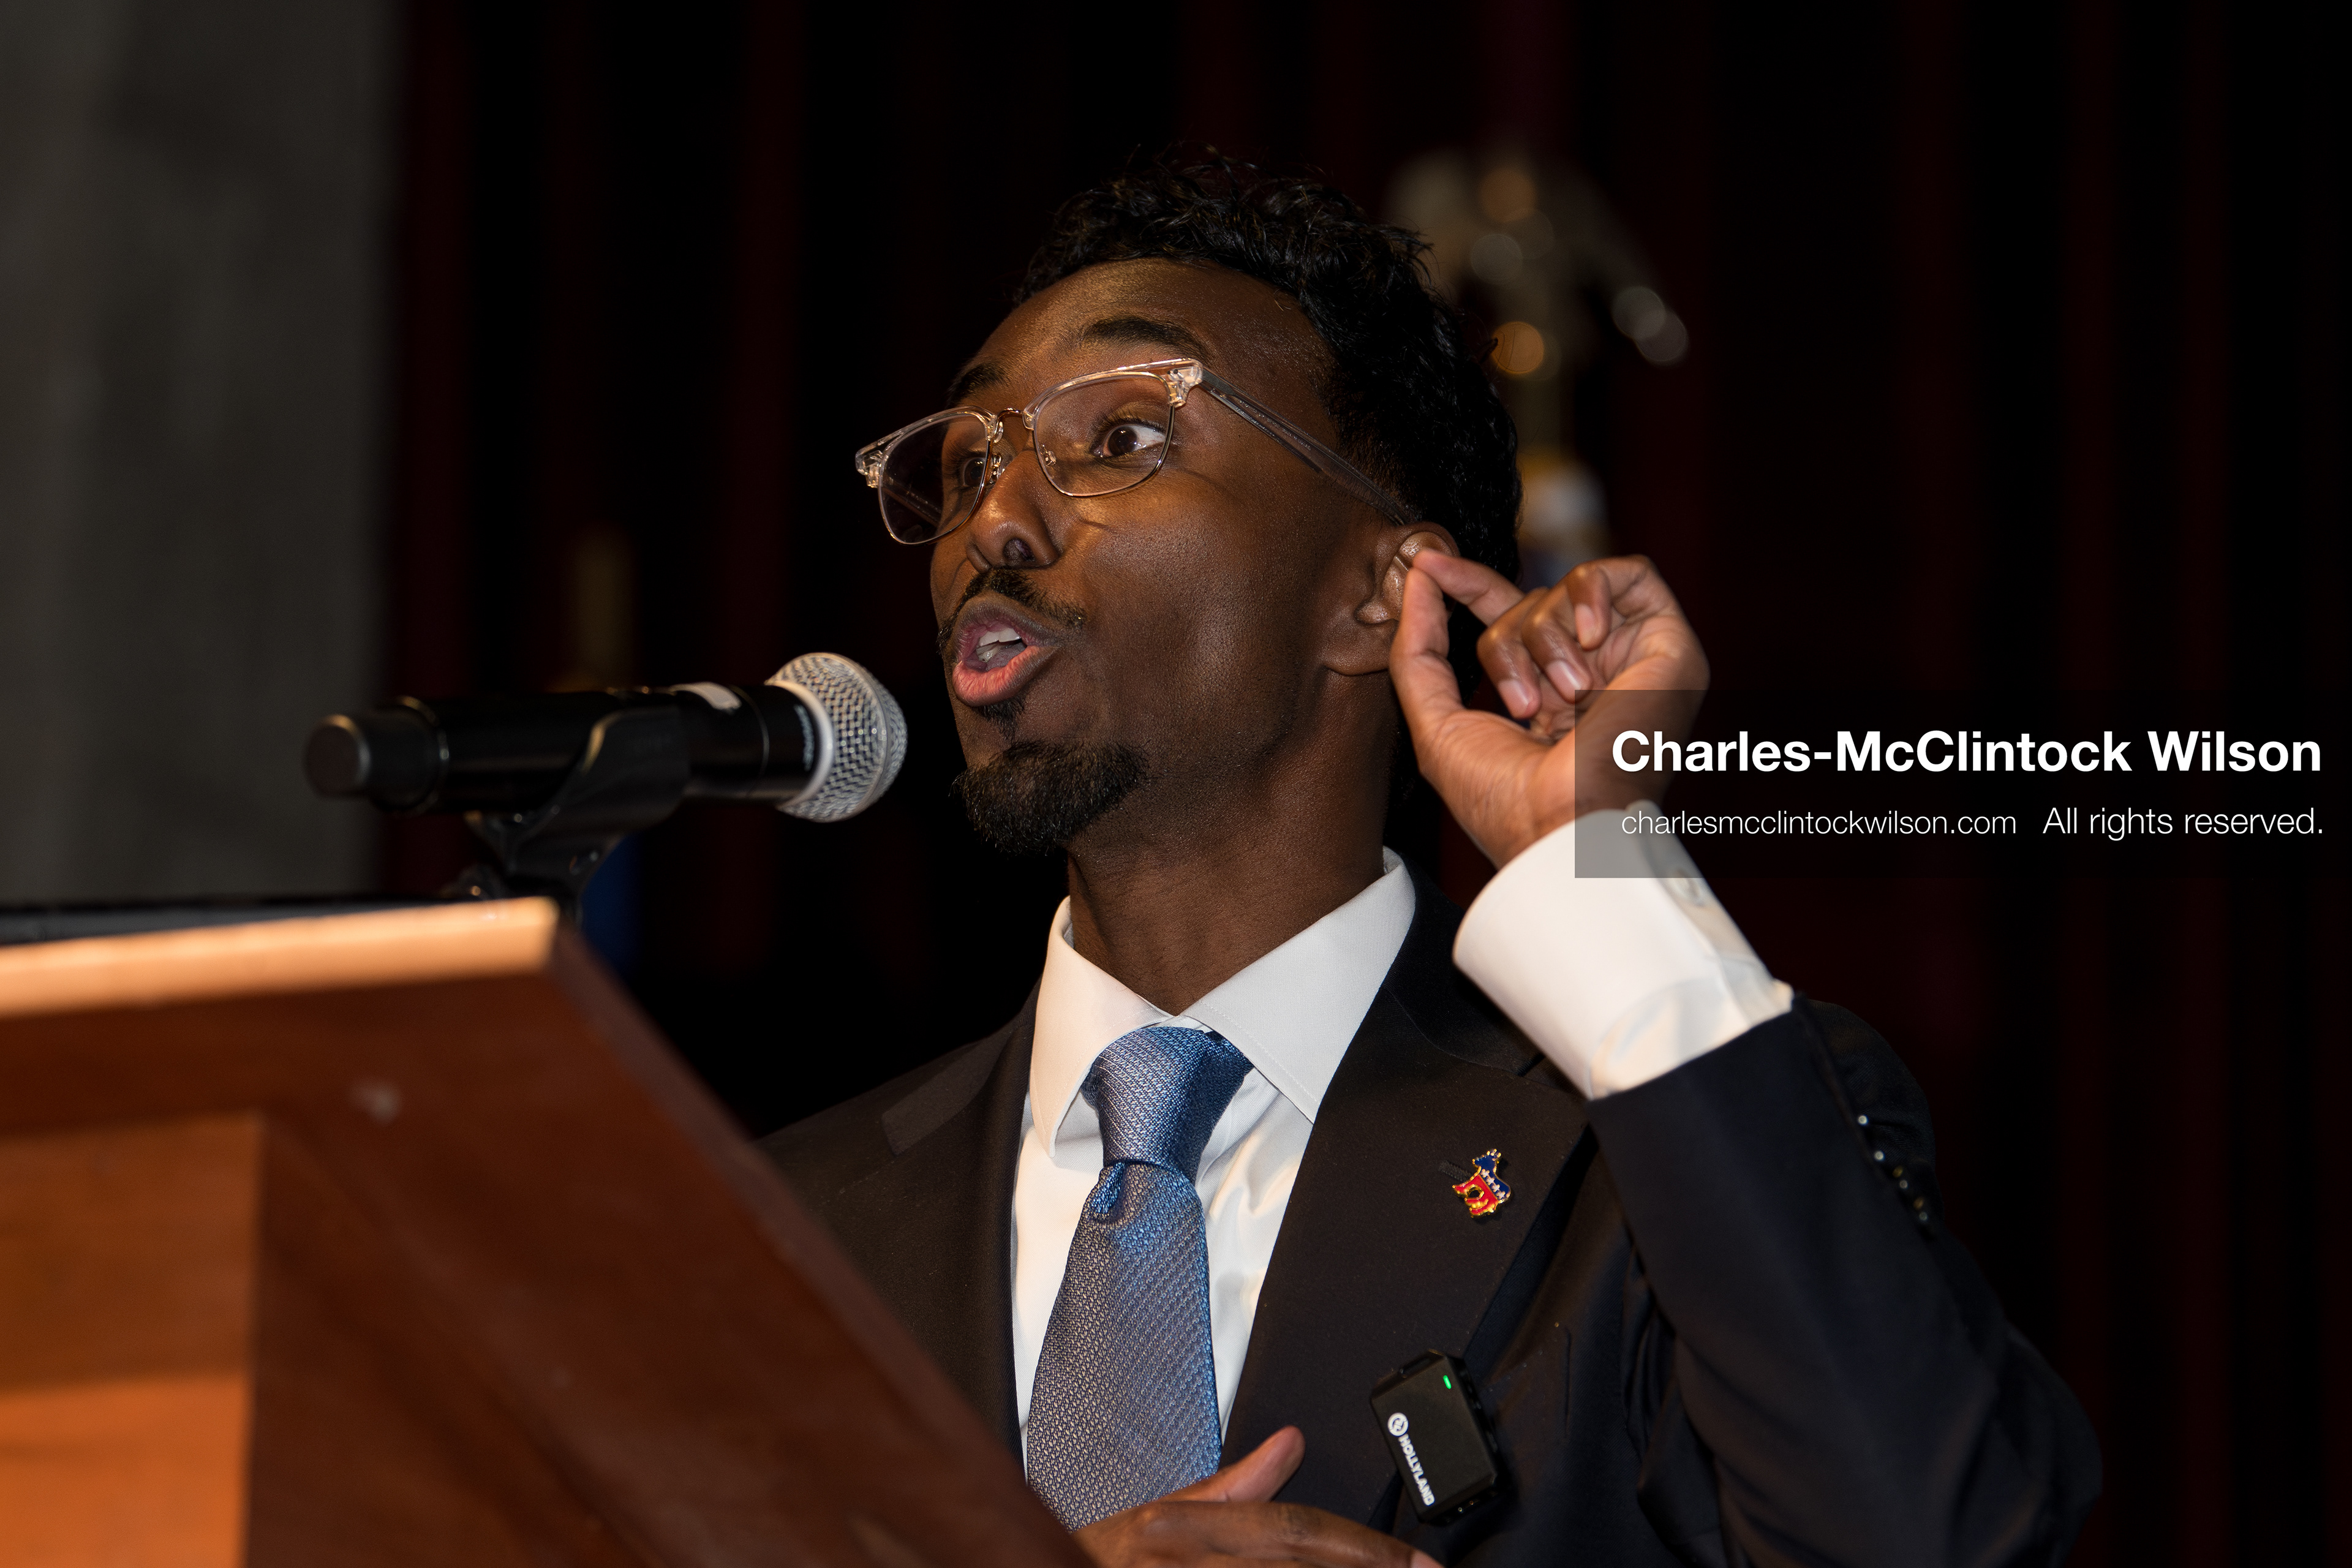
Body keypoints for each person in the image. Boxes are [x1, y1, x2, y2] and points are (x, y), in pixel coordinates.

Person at [761, 158, 2098, 1567]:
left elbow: (1930, 1536)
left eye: (1122, 438)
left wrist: (1592, 868)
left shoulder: (1650, 1161)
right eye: (972, 458)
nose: (996, 522)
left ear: (1377, 594)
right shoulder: (771, 1222)